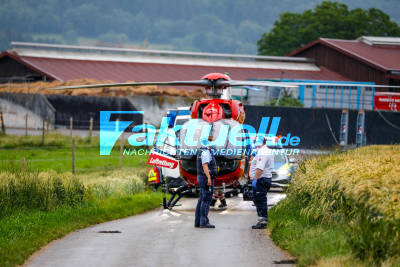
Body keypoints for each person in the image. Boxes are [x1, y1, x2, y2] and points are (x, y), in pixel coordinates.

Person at [249, 137, 274, 229]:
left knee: (260, 201)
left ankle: (263, 222)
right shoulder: (265, 151)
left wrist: (255, 179)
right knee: (259, 200)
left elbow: (260, 168)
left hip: (261, 179)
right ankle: (262, 220)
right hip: (264, 179)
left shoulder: (263, 153)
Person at [195, 135, 217, 228]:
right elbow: (205, 166)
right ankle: (204, 222)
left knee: (201, 199)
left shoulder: (201, 151)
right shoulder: (206, 152)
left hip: (201, 177)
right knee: (206, 200)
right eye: (212, 141)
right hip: (205, 178)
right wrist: (208, 178)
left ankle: (198, 222)